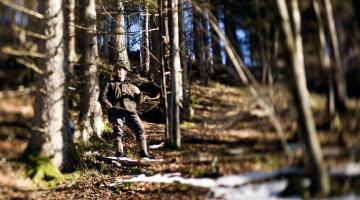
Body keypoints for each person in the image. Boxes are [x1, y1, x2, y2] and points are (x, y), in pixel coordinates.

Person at [102, 62, 154, 159]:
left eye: (121, 69)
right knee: (117, 131)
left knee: (140, 129)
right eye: (117, 69)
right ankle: (119, 153)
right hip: (116, 111)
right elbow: (103, 97)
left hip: (130, 112)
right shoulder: (109, 84)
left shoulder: (131, 85)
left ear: (125, 72)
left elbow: (139, 102)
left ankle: (144, 153)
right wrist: (107, 103)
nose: (118, 71)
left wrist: (139, 93)